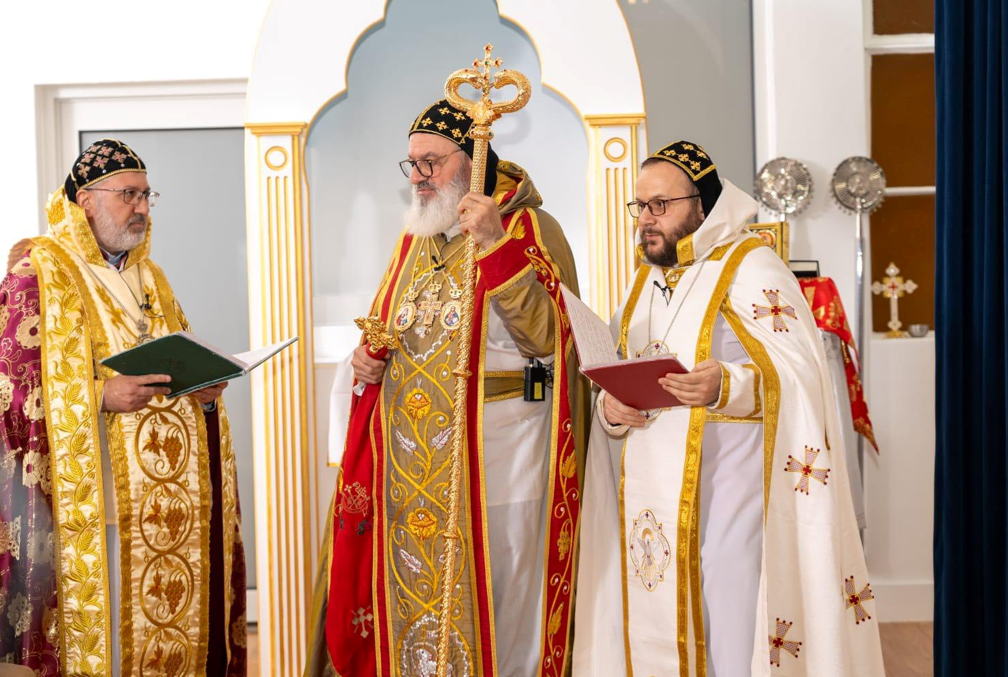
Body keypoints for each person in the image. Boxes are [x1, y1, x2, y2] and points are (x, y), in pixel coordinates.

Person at [572, 141, 885, 676]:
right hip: (650, 497)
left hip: (731, 497)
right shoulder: (645, 281)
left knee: (731, 626)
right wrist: (609, 409)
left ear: (703, 203)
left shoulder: (752, 266)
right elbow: (620, 369)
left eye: (659, 205)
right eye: (640, 206)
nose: (645, 219)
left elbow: (803, 376)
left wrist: (727, 386)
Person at [306, 100, 589, 677]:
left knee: (500, 602)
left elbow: (549, 338)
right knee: (410, 597)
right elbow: (388, 328)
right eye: (410, 164)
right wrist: (366, 360)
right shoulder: (418, 235)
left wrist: (494, 245)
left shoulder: (529, 227)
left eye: (430, 163)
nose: (417, 177)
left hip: (499, 461)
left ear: (472, 163)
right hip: (412, 462)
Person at [0, 139, 247, 674]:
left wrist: (203, 390)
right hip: (97, 507)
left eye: (146, 195)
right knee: (109, 641)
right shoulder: (40, 270)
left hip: (168, 509)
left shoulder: (151, 276)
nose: (141, 208)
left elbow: (177, 359)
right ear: (86, 200)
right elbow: (11, 388)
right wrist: (98, 396)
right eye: (128, 195)